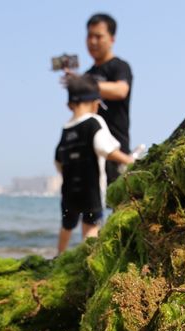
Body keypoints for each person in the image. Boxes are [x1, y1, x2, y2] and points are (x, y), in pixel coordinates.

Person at [54, 75, 133, 254]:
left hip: (69, 190)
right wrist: (129, 160)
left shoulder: (66, 129)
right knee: (90, 227)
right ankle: (86, 261)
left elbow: (58, 161)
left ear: (69, 105)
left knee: (67, 225)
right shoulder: (94, 122)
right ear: (95, 103)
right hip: (90, 190)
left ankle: (58, 257)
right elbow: (107, 149)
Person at [67, 13, 133, 187]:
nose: (93, 41)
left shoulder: (119, 66)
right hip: (88, 150)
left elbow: (121, 90)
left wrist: (85, 84)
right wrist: (75, 88)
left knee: (117, 203)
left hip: (116, 148)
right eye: (89, 36)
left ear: (112, 38)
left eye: (98, 36)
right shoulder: (87, 74)